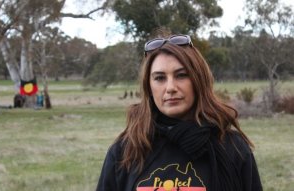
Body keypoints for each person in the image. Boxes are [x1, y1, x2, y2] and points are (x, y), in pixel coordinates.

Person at [96, 33, 263, 191]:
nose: (170, 88)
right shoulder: (126, 150)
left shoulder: (232, 148)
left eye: (181, 75)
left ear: (199, 81)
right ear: (149, 86)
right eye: (160, 78)